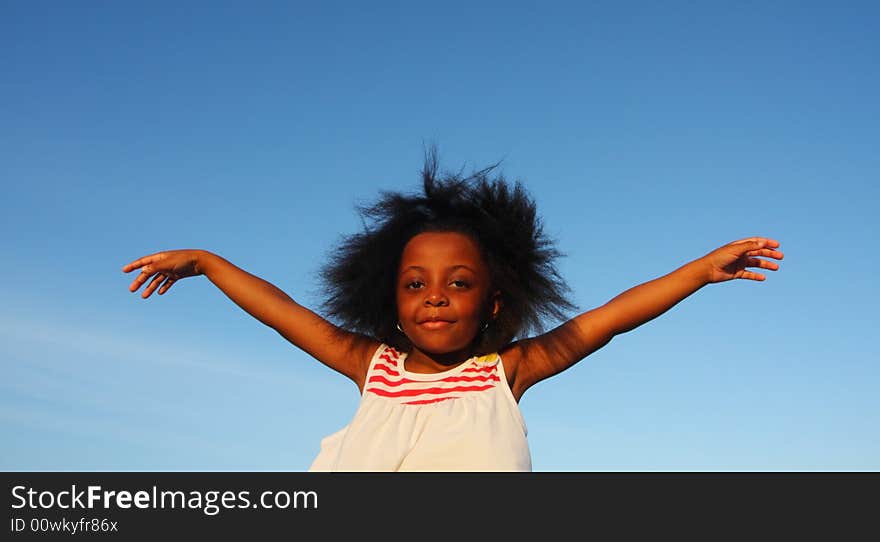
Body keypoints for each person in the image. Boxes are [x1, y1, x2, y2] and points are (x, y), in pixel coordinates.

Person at [122, 149, 783, 471]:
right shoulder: (370, 366)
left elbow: (608, 318)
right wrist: (208, 263)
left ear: (494, 300)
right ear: (393, 299)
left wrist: (699, 271)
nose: (434, 295)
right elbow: (280, 310)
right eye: (415, 285)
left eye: (458, 283)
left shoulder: (507, 372)